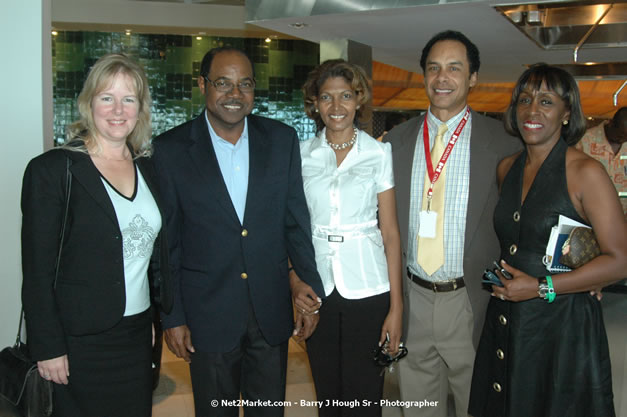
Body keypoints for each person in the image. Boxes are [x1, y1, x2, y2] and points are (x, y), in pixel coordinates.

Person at [152, 46, 324, 417]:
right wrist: (173, 316)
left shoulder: (281, 141)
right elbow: (168, 244)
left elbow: (296, 224)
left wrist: (309, 291)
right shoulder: (170, 150)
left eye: (244, 84)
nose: (235, 94)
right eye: (223, 83)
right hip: (206, 317)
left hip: (271, 312)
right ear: (203, 85)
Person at [468, 63, 627, 417]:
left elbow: (620, 260)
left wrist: (543, 287)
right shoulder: (506, 167)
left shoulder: (586, 172)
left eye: (546, 101)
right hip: (508, 314)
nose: (532, 110)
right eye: (524, 100)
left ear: (567, 112)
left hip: (563, 324)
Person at [21, 53, 172, 417]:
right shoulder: (54, 170)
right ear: (89, 103)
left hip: (136, 338)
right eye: (107, 97)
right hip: (77, 342)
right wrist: (48, 346)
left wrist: (153, 323)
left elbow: (152, 259)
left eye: (129, 99)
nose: (118, 109)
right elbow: (37, 270)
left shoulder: (149, 169)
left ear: (141, 108)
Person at [383, 30, 520, 417]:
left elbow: (529, 218)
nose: (442, 78)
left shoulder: (504, 143)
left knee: (477, 405)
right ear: (424, 75)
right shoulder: (395, 141)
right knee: (419, 408)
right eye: (434, 68)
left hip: (472, 300)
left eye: (454, 68)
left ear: (473, 77)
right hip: (413, 298)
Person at [297, 59, 403, 417]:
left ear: (358, 100)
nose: (336, 106)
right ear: (315, 103)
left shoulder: (378, 152)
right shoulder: (301, 155)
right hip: (319, 288)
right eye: (326, 97)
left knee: (364, 397)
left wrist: (397, 308)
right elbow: (293, 228)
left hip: (369, 288)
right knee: (328, 396)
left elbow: (390, 232)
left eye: (345, 96)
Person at [575, 107, 626, 215]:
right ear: (611, 123)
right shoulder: (584, 142)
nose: (623, 140)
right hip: (590, 216)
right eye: (620, 135)